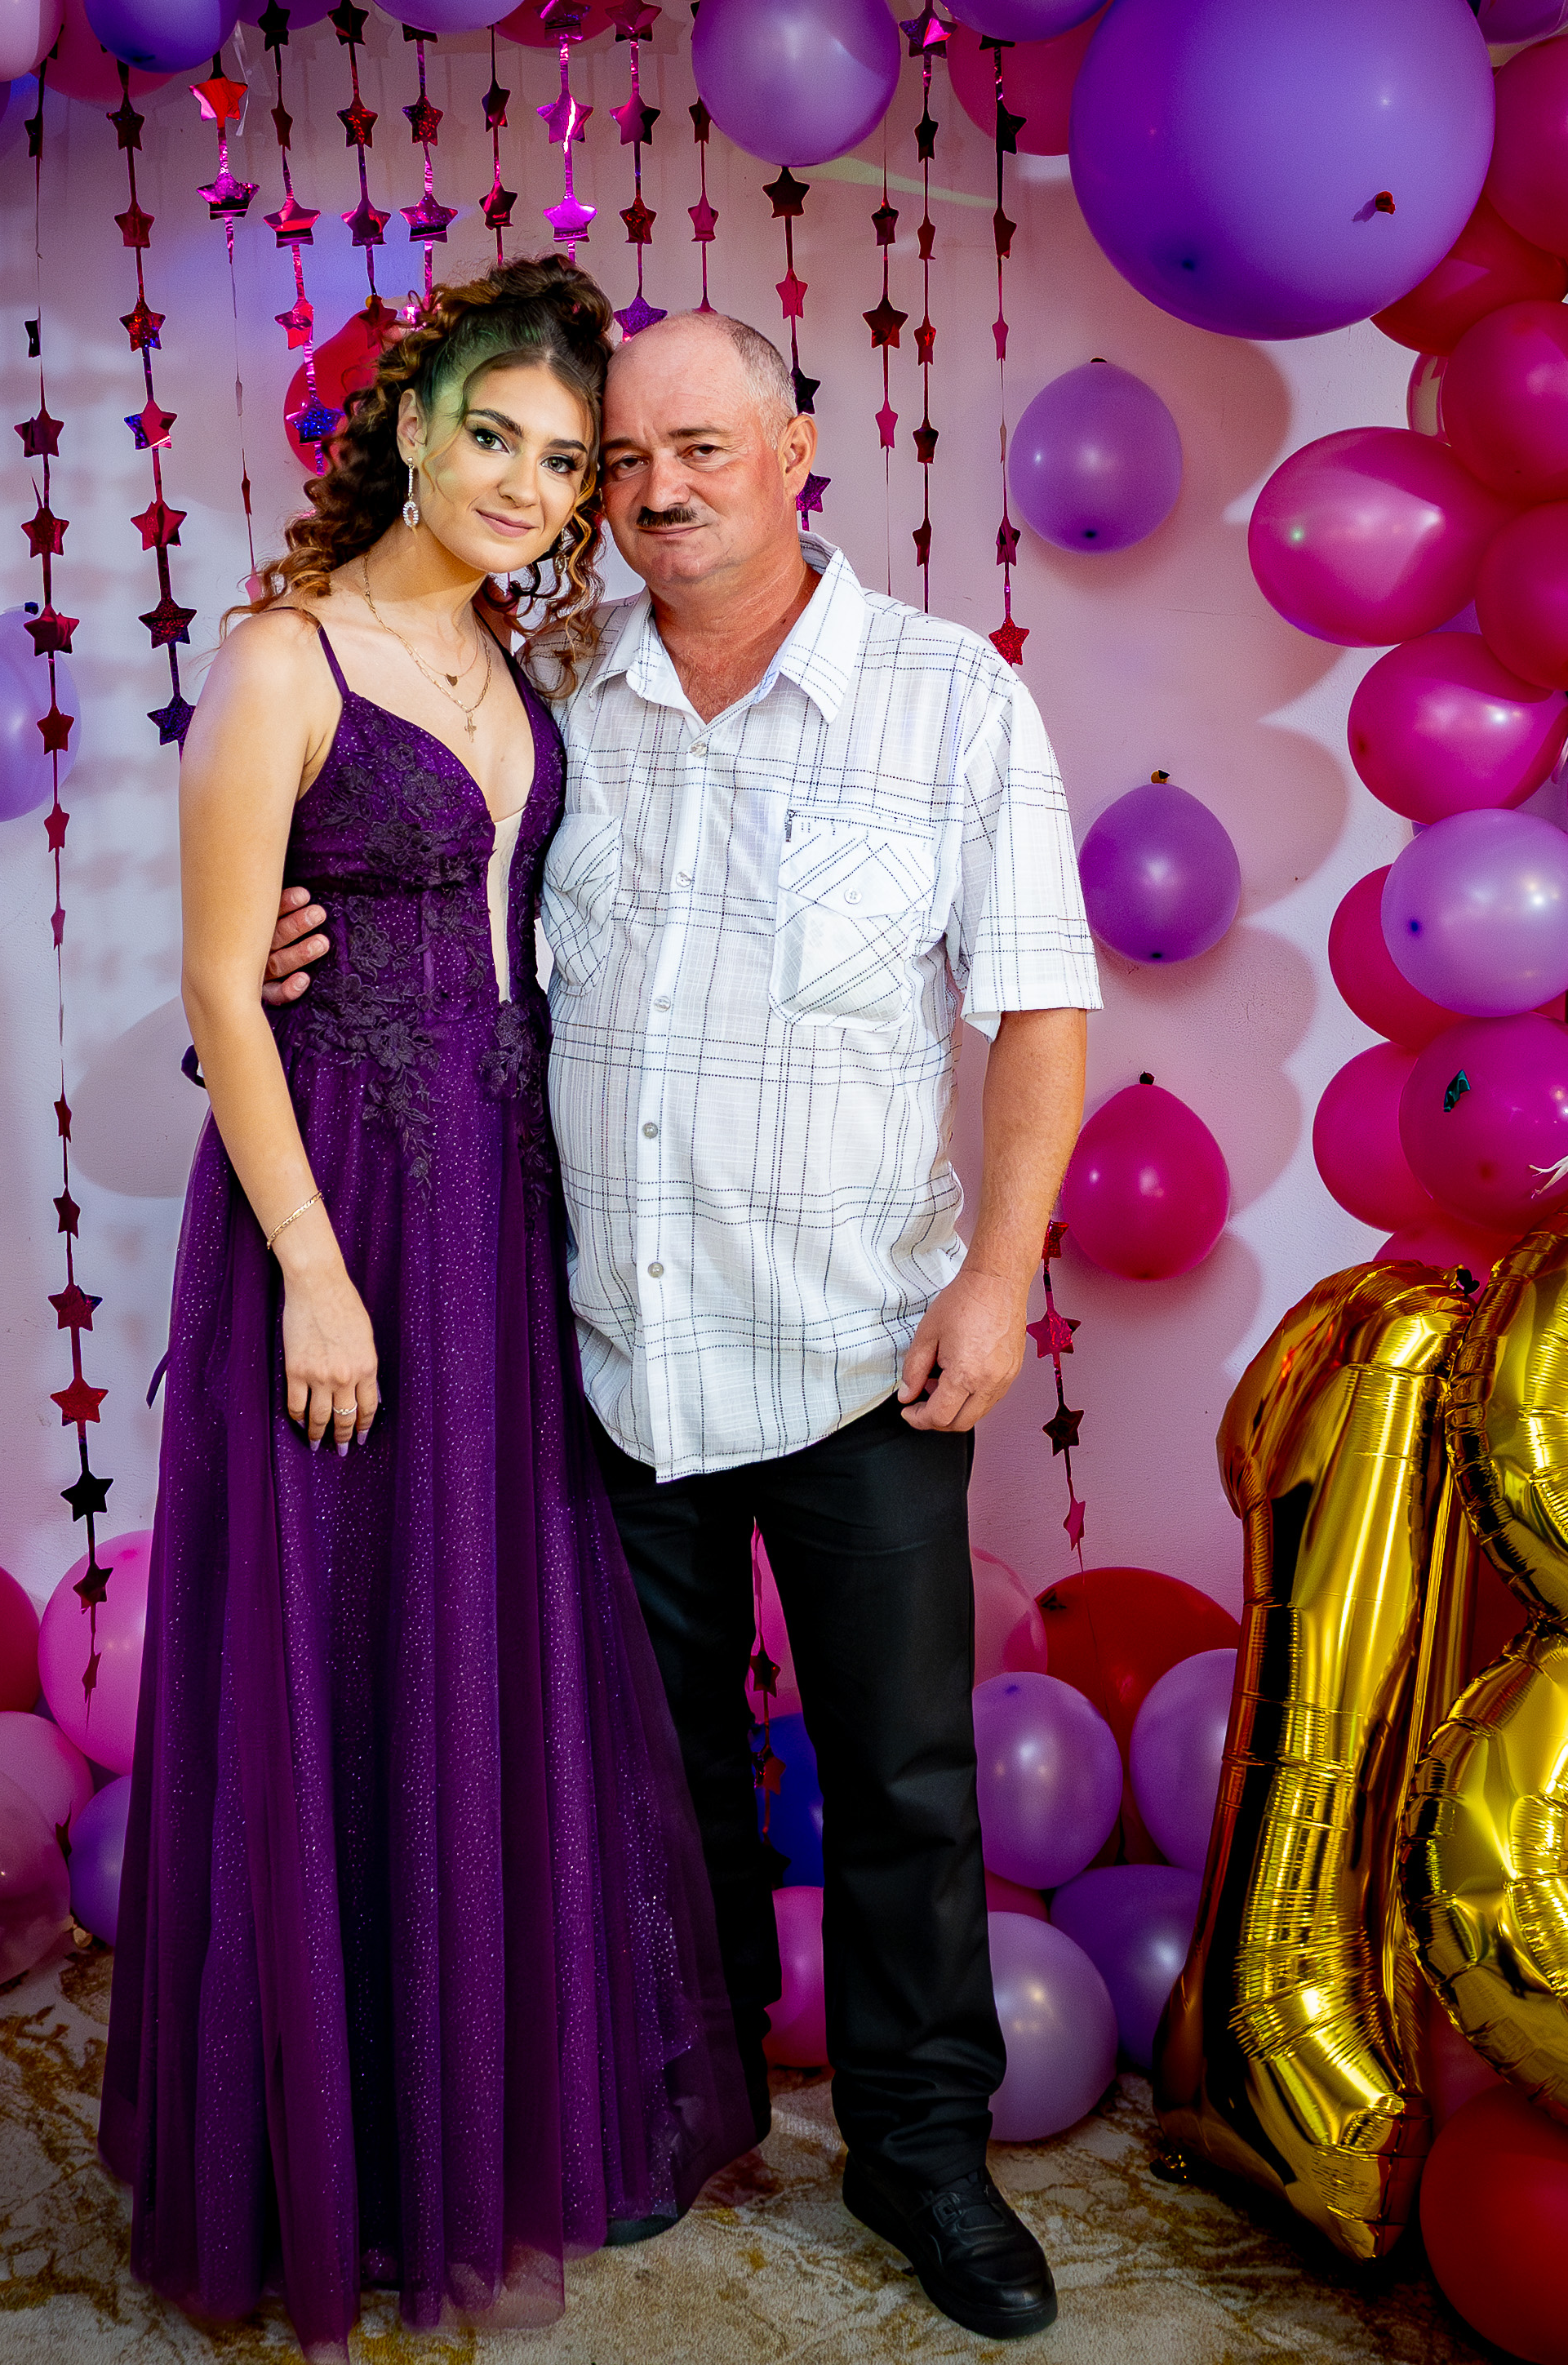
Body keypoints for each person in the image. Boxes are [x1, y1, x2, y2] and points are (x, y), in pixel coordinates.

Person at [264, 306, 1101, 2341]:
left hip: (855, 1346)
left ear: (797, 452)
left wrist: (1000, 1274)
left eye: (697, 450)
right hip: (602, 1352)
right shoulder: (551, 686)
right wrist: (298, 934)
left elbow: (1036, 1007)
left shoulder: (946, 700)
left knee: (901, 1782)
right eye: (619, 461)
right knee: (650, 1775)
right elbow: (421, 893)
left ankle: (921, 2153)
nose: (652, 493)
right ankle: (679, 2105)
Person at [100, 260, 753, 2363]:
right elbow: (223, 987)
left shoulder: (514, 665)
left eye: (562, 463)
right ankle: (334, 2164)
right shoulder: (281, 657)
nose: (527, 486)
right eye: (494, 436)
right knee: (334, 1644)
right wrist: (310, 1269)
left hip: (495, 1210)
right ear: (407, 427)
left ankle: (470, 2121)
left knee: (473, 1641)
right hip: (341, 1212)